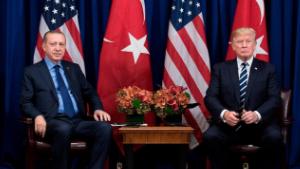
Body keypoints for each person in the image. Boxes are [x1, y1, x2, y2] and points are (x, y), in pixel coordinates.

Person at [20, 30, 112, 169]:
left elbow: (90, 92)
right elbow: (25, 102)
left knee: (104, 128)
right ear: (44, 46)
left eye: (61, 44)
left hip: (77, 121)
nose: (58, 48)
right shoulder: (32, 72)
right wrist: (37, 116)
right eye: (53, 44)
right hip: (51, 122)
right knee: (64, 128)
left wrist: (98, 107)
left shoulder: (73, 68)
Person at [203, 27, 282, 169]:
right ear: (232, 45)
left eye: (248, 41)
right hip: (228, 127)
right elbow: (210, 97)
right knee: (211, 136)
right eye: (239, 42)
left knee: (275, 136)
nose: (244, 45)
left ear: (254, 45)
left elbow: (274, 98)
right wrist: (224, 114)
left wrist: (257, 114)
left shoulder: (268, 69)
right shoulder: (220, 69)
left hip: (260, 126)